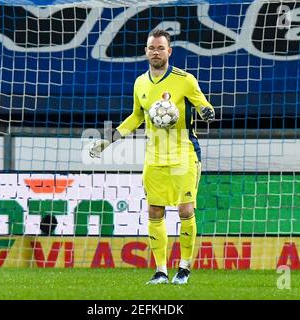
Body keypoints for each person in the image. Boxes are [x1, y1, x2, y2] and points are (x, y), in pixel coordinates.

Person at [89, 29, 215, 285]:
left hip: (184, 153)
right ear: (146, 51)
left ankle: (184, 268)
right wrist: (109, 139)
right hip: (154, 157)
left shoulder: (185, 80)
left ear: (169, 51)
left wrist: (206, 111)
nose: (155, 52)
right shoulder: (140, 83)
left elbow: (205, 105)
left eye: (160, 48)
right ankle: (160, 271)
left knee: (185, 209)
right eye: (151, 48)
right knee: (155, 211)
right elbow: (136, 116)